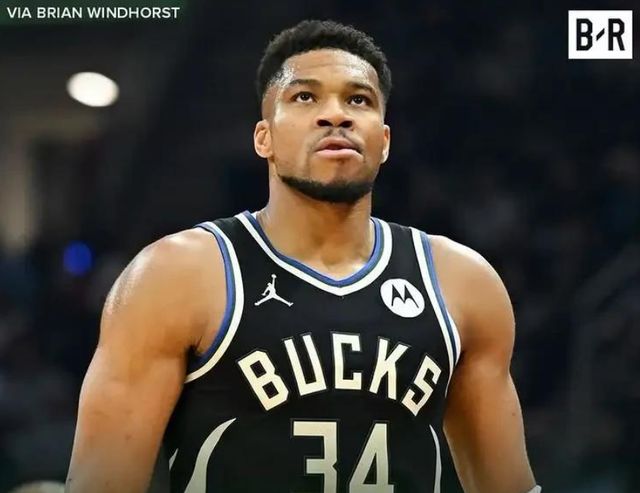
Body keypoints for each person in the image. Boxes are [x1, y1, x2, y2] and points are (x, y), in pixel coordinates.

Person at [66, 20, 540, 493]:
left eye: (359, 100)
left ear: (384, 142)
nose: (336, 115)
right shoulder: (176, 275)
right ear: (264, 138)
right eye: (305, 97)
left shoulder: (461, 282)